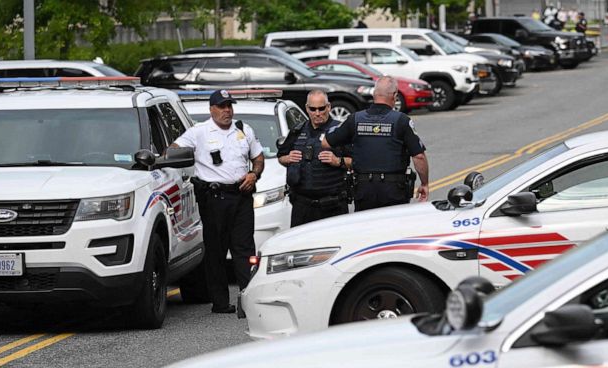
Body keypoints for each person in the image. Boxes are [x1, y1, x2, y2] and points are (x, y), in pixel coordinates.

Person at [171, 90, 264, 314]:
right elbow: (174, 150)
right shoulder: (199, 132)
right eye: (222, 106)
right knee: (216, 252)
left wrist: (254, 174)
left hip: (241, 196)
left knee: (244, 250)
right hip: (214, 199)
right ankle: (221, 302)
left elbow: (258, 158)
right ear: (211, 109)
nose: (227, 111)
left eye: (229, 106)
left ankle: (248, 299)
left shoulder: (243, 130)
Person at [322, 76, 429, 211]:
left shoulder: (354, 119)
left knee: (367, 229)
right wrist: (424, 183)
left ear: (374, 95)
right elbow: (418, 156)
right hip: (393, 190)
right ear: (395, 96)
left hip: (363, 189)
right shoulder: (402, 120)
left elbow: (326, 142)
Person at [277, 90, 353, 227]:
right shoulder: (297, 131)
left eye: (321, 108)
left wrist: (338, 161)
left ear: (329, 107)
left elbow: (358, 162)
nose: (317, 113)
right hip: (302, 206)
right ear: (307, 108)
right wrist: (288, 158)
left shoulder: (340, 130)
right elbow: (281, 157)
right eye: (313, 109)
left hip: (332, 205)